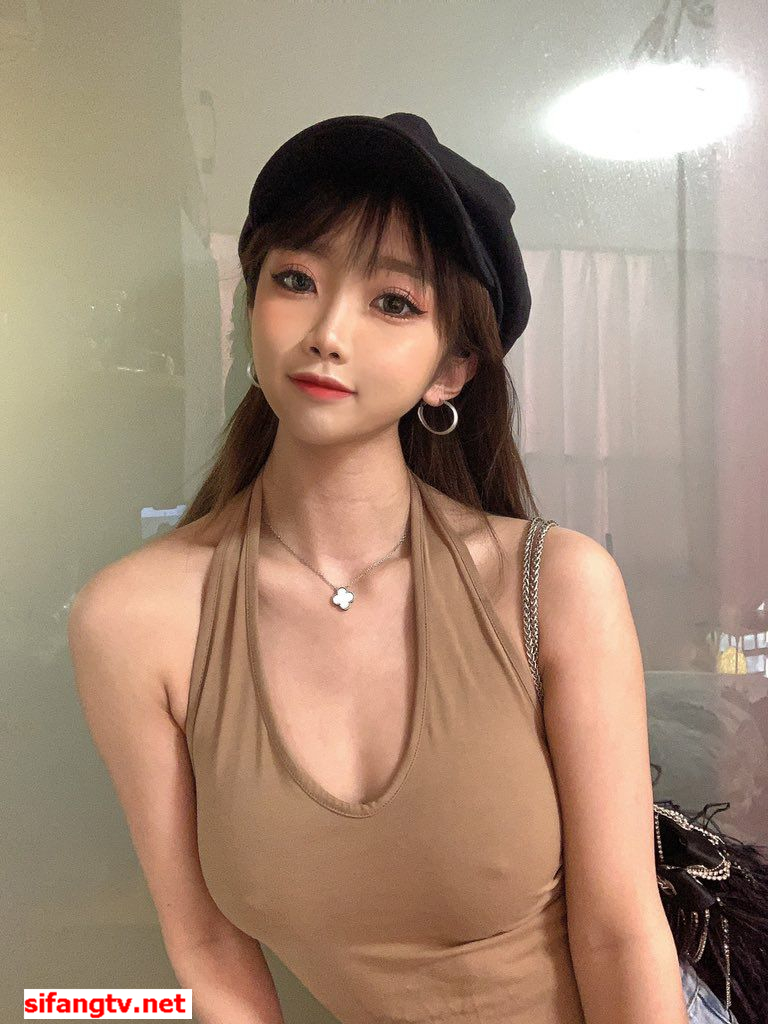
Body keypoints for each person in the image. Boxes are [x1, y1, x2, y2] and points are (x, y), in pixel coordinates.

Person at [68, 114, 696, 1023]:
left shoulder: (556, 584)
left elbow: (621, 934)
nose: (327, 332)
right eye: (296, 280)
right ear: (252, 311)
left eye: (393, 302)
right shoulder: (136, 620)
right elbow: (206, 946)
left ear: (453, 368)